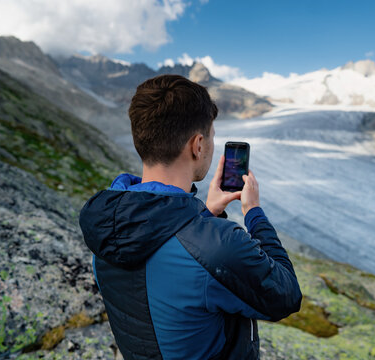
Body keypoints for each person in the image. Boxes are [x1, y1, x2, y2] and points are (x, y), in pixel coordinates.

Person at [79, 75, 302, 360]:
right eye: (210, 136)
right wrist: (253, 213)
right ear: (198, 145)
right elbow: (286, 295)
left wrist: (204, 215)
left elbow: (161, 273)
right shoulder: (217, 246)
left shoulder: (105, 224)